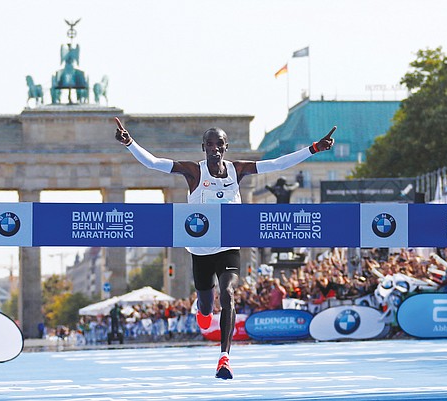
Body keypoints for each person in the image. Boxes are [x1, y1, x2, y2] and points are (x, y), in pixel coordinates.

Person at [115, 117, 335, 379]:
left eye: (219, 144)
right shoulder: (194, 171)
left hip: (229, 247)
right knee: (207, 307)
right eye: (209, 144)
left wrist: (313, 149)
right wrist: (130, 143)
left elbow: (277, 164)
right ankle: (202, 309)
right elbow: (154, 163)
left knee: (228, 293)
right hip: (201, 251)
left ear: (226, 147)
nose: (214, 148)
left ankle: (224, 358)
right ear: (203, 147)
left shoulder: (237, 170)